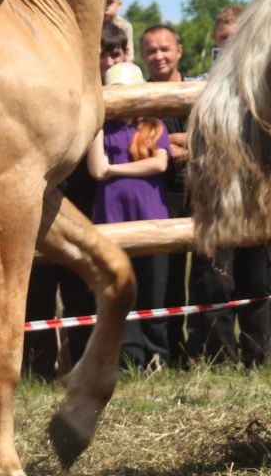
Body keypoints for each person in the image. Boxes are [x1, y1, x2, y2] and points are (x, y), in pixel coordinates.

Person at [89, 62, 171, 367]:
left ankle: (157, 359)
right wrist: (98, 121)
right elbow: (97, 169)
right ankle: (129, 361)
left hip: (153, 221)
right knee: (121, 294)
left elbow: (159, 164)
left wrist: (115, 169)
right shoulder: (100, 129)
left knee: (154, 294)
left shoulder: (153, 125)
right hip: (112, 223)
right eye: (115, 94)